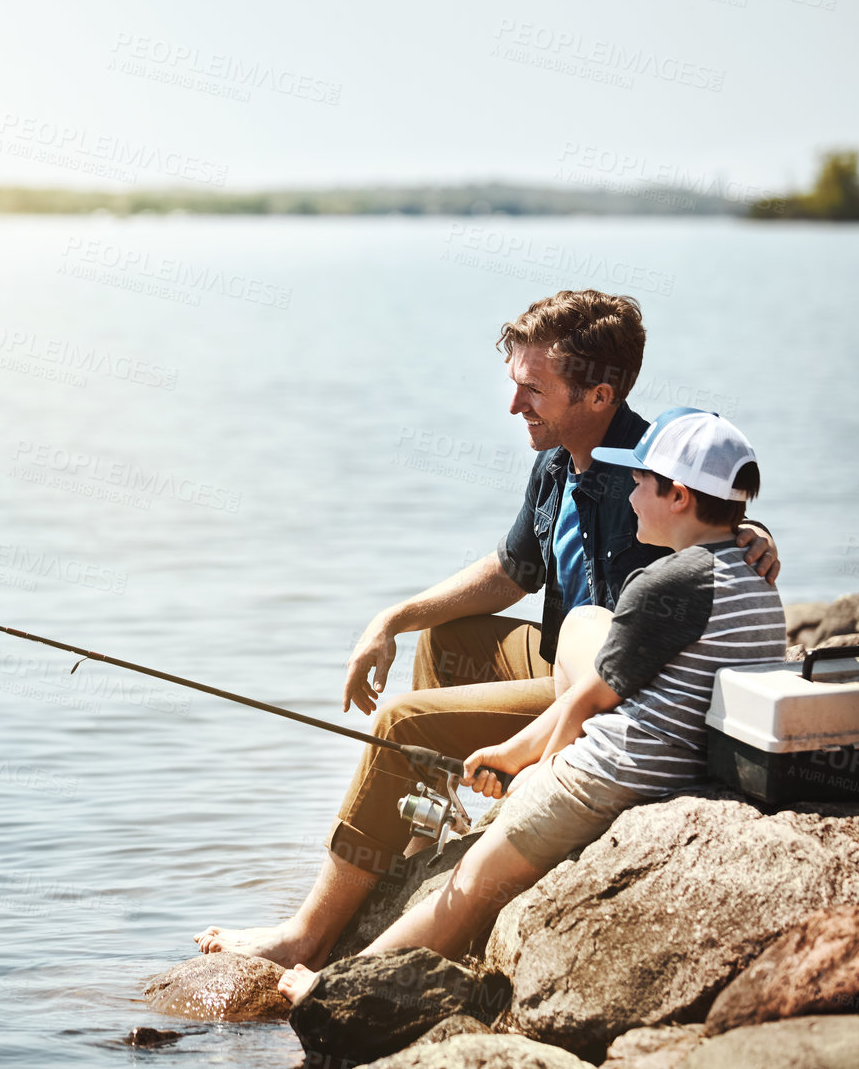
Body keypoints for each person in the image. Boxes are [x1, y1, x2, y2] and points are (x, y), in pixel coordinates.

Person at [195, 291, 779, 969]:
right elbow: (513, 569)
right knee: (446, 638)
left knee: (404, 722)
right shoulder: (559, 458)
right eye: (515, 385)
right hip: (564, 655)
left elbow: (710, 533)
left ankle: (309, 935)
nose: (514, 406)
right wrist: (392, 619)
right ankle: (419, 844)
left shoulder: (651, 479)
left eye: (533, 389)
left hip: (610, 696)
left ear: (598, 395)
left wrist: (754, 535)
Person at [277, 408, 787, 1000]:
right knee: (572, 623)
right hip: (678, 756)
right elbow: (519, 577)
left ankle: (339, 986)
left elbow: (588, 702)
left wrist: (530, 760)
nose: (631, 491)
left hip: (612, 771)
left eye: (642, 482)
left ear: (676, 495)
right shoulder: (756, 580)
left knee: (470, 885)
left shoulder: (663, 581)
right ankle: (416, 847)